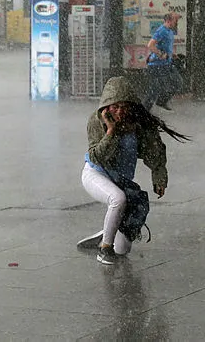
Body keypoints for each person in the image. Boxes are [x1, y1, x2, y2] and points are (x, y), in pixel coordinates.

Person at [77, 76, 190, 265]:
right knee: (117, 199)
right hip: (96, 173)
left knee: (122, 249)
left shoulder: (139, 124)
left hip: (121, 180)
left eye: (124, 106)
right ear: (107, 106)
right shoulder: (97, 121)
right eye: (115, 106)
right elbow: (97, 157)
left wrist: (159, 176)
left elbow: (154, 151)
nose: (119, 111)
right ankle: (104, 249)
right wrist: (111, 131)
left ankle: (107, 232)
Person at [144, 12, 184, 111]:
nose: (177, 22)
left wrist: (172, 54)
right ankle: (144, 111)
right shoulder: (161, 31)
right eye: (175, 20)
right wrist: (161, 54)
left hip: (167, 63)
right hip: (156, 65)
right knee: (154, 90)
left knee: (178, 82)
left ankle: (161, 101)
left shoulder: (170, 31)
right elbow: (150, 45)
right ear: (169, 21)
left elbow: (165, 45)